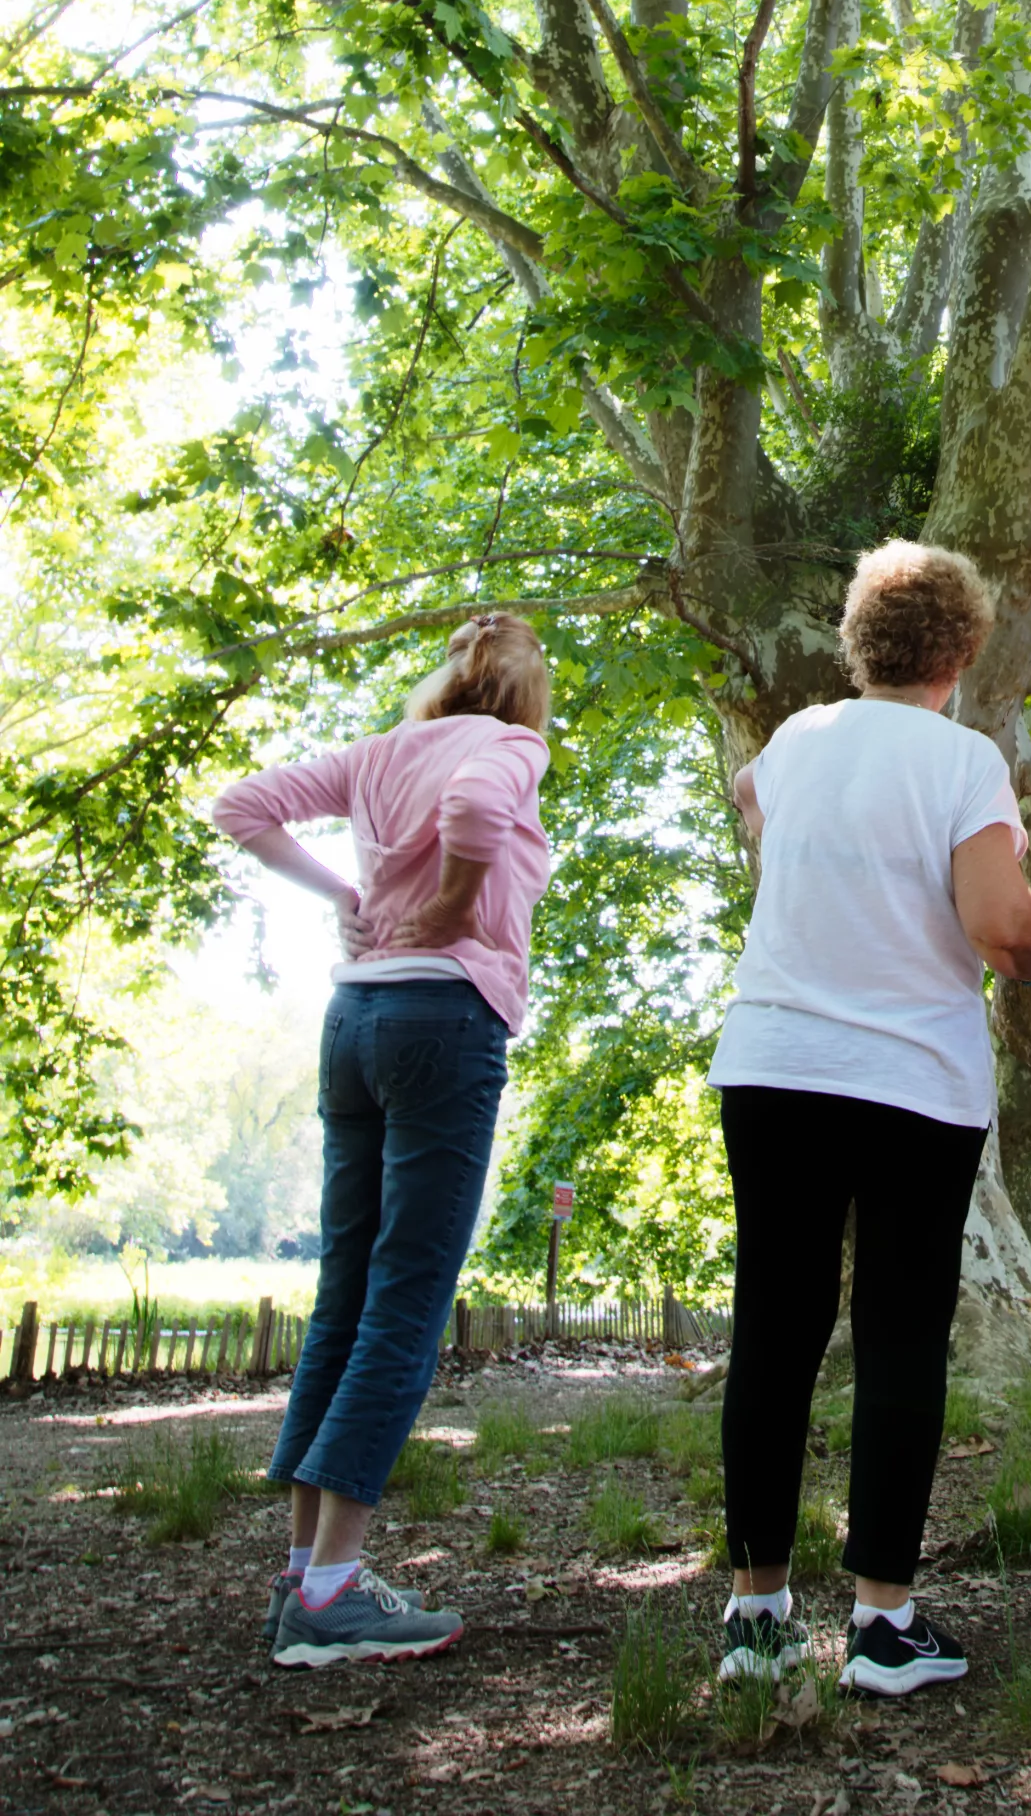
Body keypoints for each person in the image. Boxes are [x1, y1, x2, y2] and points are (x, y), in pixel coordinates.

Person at [710, 541, 1031, 1698]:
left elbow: (752, 808)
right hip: (908, 1086)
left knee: (772, 1329)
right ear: (963, 650)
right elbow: (999, 926)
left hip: (773, 1063)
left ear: (856, 643)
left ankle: (757, 1617)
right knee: (896, 1338)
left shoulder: (794, 743)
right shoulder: (960, 759)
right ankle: (882, 1625)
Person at [210, 609, 555, 1667]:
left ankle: (306, 1579)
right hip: (443, 1018)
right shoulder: (509, 748)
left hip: (352, 1020)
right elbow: (476, 808)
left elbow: (241, 806)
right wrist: (453, 907)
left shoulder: (377, 753)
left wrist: (346, 894)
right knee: (407, 1296)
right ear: (525, 695)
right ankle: (328, 1603)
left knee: (348, 1288)